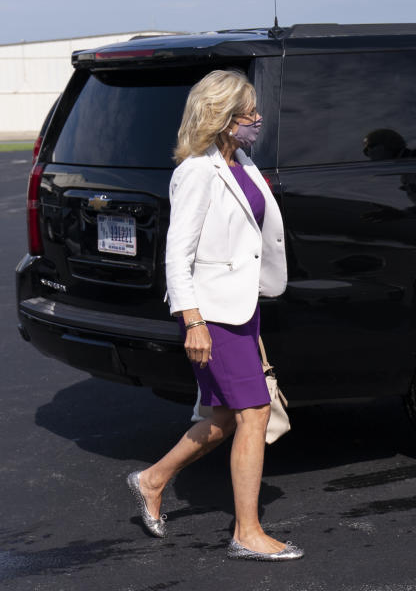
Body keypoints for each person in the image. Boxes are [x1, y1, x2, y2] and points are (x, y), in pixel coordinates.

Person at [125, 70, 303, 561]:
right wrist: (193, 321)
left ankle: (152, 479)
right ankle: (247, 533)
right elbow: (175, 256)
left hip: (242, 308)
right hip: (212, 313)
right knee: (254, 411)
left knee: (225, 414)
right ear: (225, 119)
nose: (257, 120)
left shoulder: (242, 162)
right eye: (248, 113)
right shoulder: (197, 172)